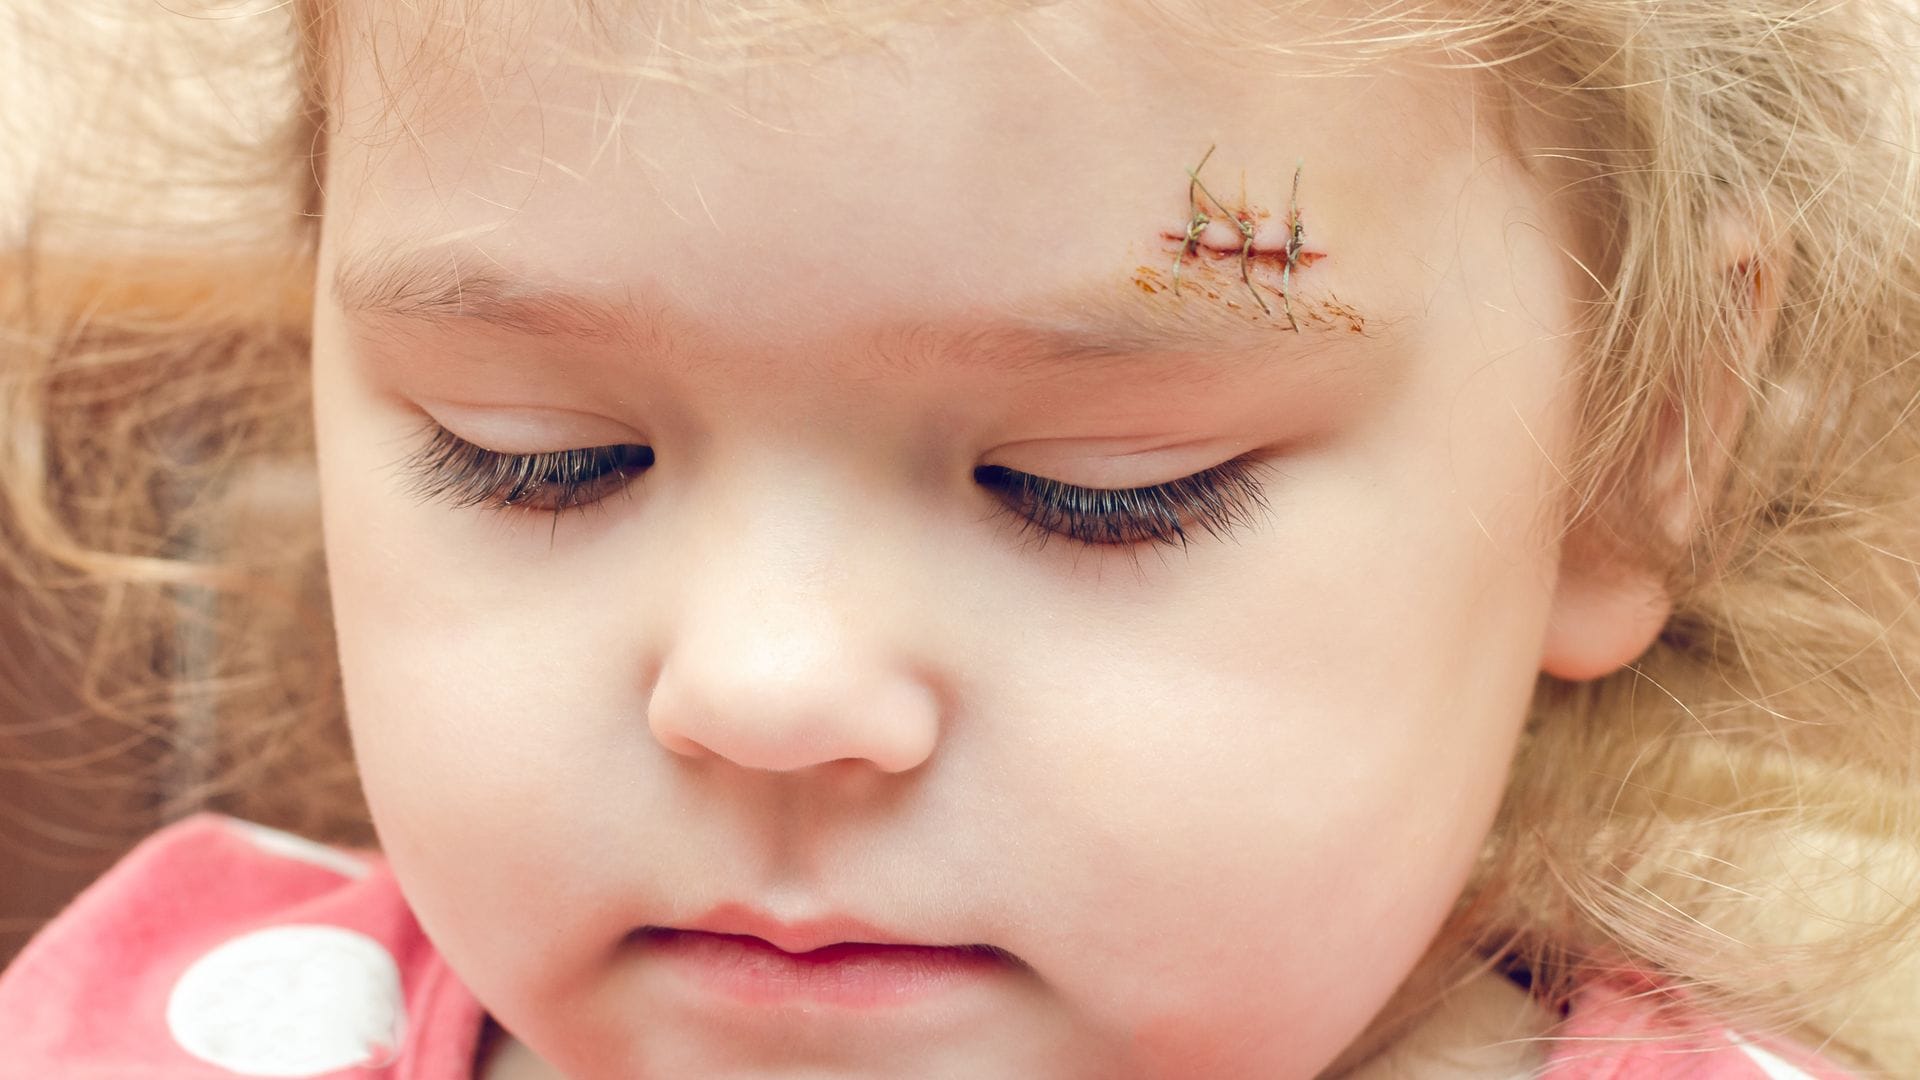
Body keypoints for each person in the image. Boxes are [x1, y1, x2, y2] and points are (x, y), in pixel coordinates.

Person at [2, 0, 1918, 1076]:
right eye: (541, 456)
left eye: (1101, 487)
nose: (763, 687)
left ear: (1625, 449)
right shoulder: (148, 1039)